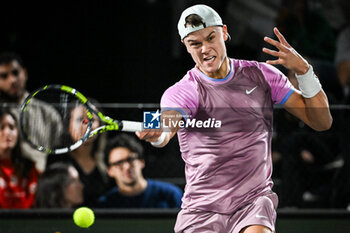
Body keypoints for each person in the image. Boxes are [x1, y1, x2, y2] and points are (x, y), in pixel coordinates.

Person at [136, 4, 332, 233]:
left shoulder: (262, 75)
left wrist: (304, 71)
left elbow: (322, 122)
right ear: (185, 46)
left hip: (253, 201)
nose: (205, 49)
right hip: (201, 208)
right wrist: (159, 134)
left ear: (225, 32)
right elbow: (167, 125)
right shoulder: (182, 91)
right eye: (195, 43)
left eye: (211, 38)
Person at [0, 52, 62, 172]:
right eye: (4, 76)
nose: (12, 80)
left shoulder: (48, 113)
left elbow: (59, 152)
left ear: (25, 73)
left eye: (15, 73)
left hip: (41, 181)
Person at [46, 99, 113, 207]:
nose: (87, 125)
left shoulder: (110, 157)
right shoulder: (56, 158)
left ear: (100, 124)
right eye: (80, 119)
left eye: (93, 119)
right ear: (68, 125)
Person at [98, 133, 183, 208]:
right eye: (119, 163)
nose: (127, 166)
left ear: (141, 161)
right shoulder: (105, 203)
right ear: (109, 171)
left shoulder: (171, 194)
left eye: (130, 159)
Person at [0, 108, 39, 208]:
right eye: (1, 127)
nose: (7, 132)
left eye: (12, 127)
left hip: (25, 221)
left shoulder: (29, 166)